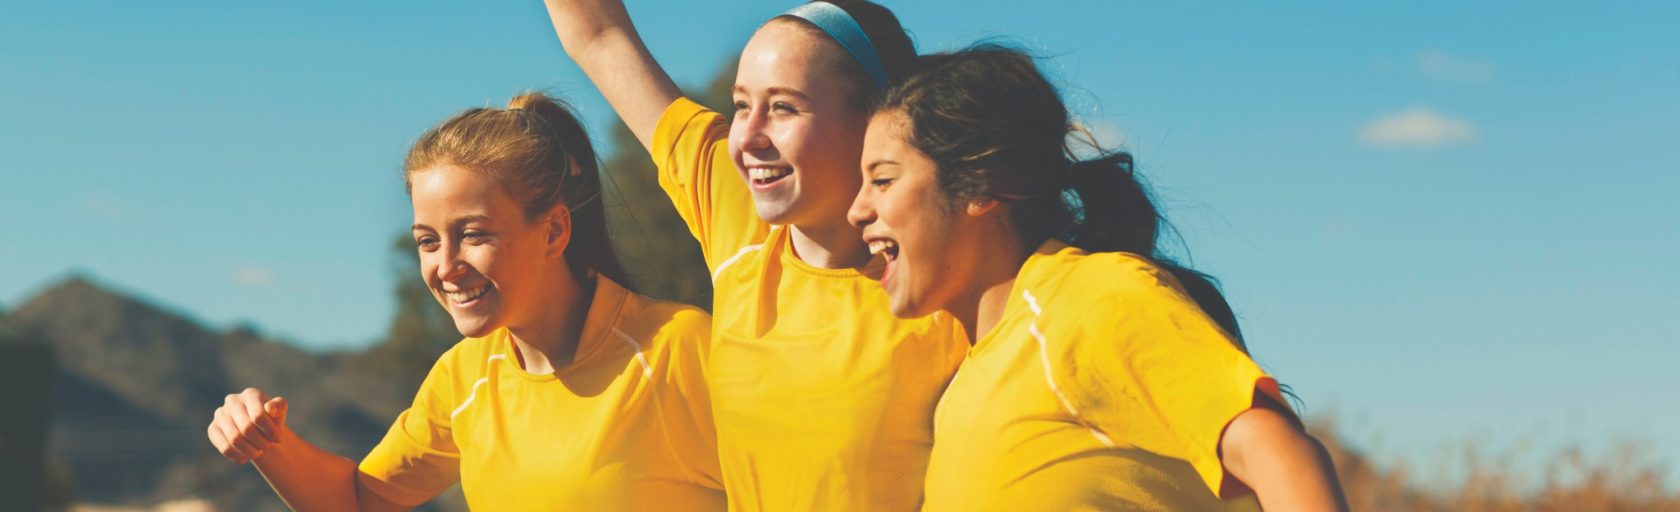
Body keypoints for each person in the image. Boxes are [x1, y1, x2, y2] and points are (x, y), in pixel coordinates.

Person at [848, 46, 1351, 511]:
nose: (857, 210)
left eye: (883, 180)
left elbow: (1281, 454)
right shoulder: (968, 374)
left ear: (981, 187)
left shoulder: (1091, 297)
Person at [205, 93, 724, 511]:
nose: (445, 266)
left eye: (473, 234)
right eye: (428, 241)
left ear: (554, 231)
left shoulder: (677, 349)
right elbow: (359, 502)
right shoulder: (465, 376)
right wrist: (268, 444)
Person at [540, 1, 966, 509]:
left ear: (877, 122)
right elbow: (599, 36)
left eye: (784, 107)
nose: (747, 137)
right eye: (741, 104)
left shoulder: (949, 291)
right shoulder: (739, 219)